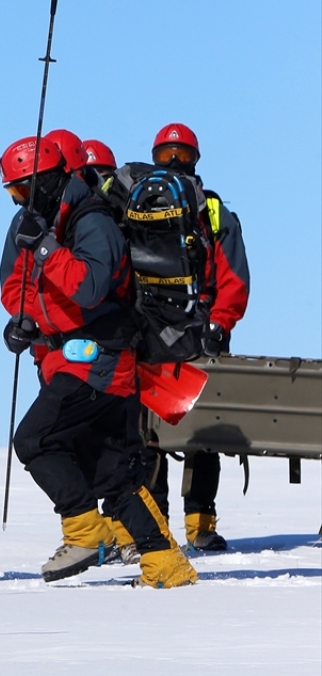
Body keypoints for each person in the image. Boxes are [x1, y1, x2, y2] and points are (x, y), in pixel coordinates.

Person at [0, 135, 198, 588]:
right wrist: (25, 320)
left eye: (22, 189)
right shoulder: (31, 222)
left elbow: (89, 287)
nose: (17, 200)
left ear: (48, 178)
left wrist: (46, 248)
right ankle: (167, 565)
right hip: (68, 357)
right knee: (113, 473)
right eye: (11, 192)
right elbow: (14, 283)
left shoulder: (93, 221)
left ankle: (85, 532)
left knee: (35, 440)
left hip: (101, 358)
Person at [139, 123, 251, 551]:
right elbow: (234, 275)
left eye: (180, 154)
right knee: (167, 433)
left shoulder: (208, 212)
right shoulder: (158, 209)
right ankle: (174, 527)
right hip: (175, 333)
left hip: (179, 332)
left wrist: (219, 322)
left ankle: (183, 526)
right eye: (168, 154)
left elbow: (233, 276)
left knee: (186, 432)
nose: (174, 162)